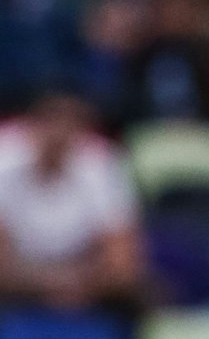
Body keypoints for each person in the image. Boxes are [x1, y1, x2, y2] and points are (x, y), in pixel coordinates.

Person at [0, 91, 146, 311]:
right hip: (17, 287)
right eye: (51, 121)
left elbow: (122, 265)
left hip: (86, 286)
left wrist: (76, 285)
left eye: (69, 123)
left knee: (145, 290)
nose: (58, 133)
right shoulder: (5, 155)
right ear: (31, 125)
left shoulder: (101, 161)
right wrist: (52, 285)